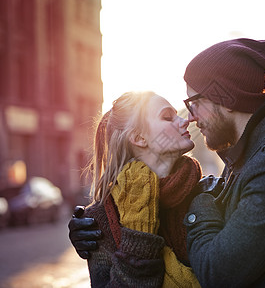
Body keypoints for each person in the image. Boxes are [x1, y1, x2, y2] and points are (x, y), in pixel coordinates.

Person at [69, 38, 265, 287]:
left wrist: (199, 201)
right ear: (138, 138)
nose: (189, 118)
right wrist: (92, 230)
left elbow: (218, 273)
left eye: (192, 103)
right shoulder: (244, 159)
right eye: (168, 116)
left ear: (225, 98)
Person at [76, 91, 202, 287]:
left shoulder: (207, 192)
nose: (185, 121)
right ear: (139, 138)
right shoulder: (100, 218)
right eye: (168, 117)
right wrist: (138, 242)